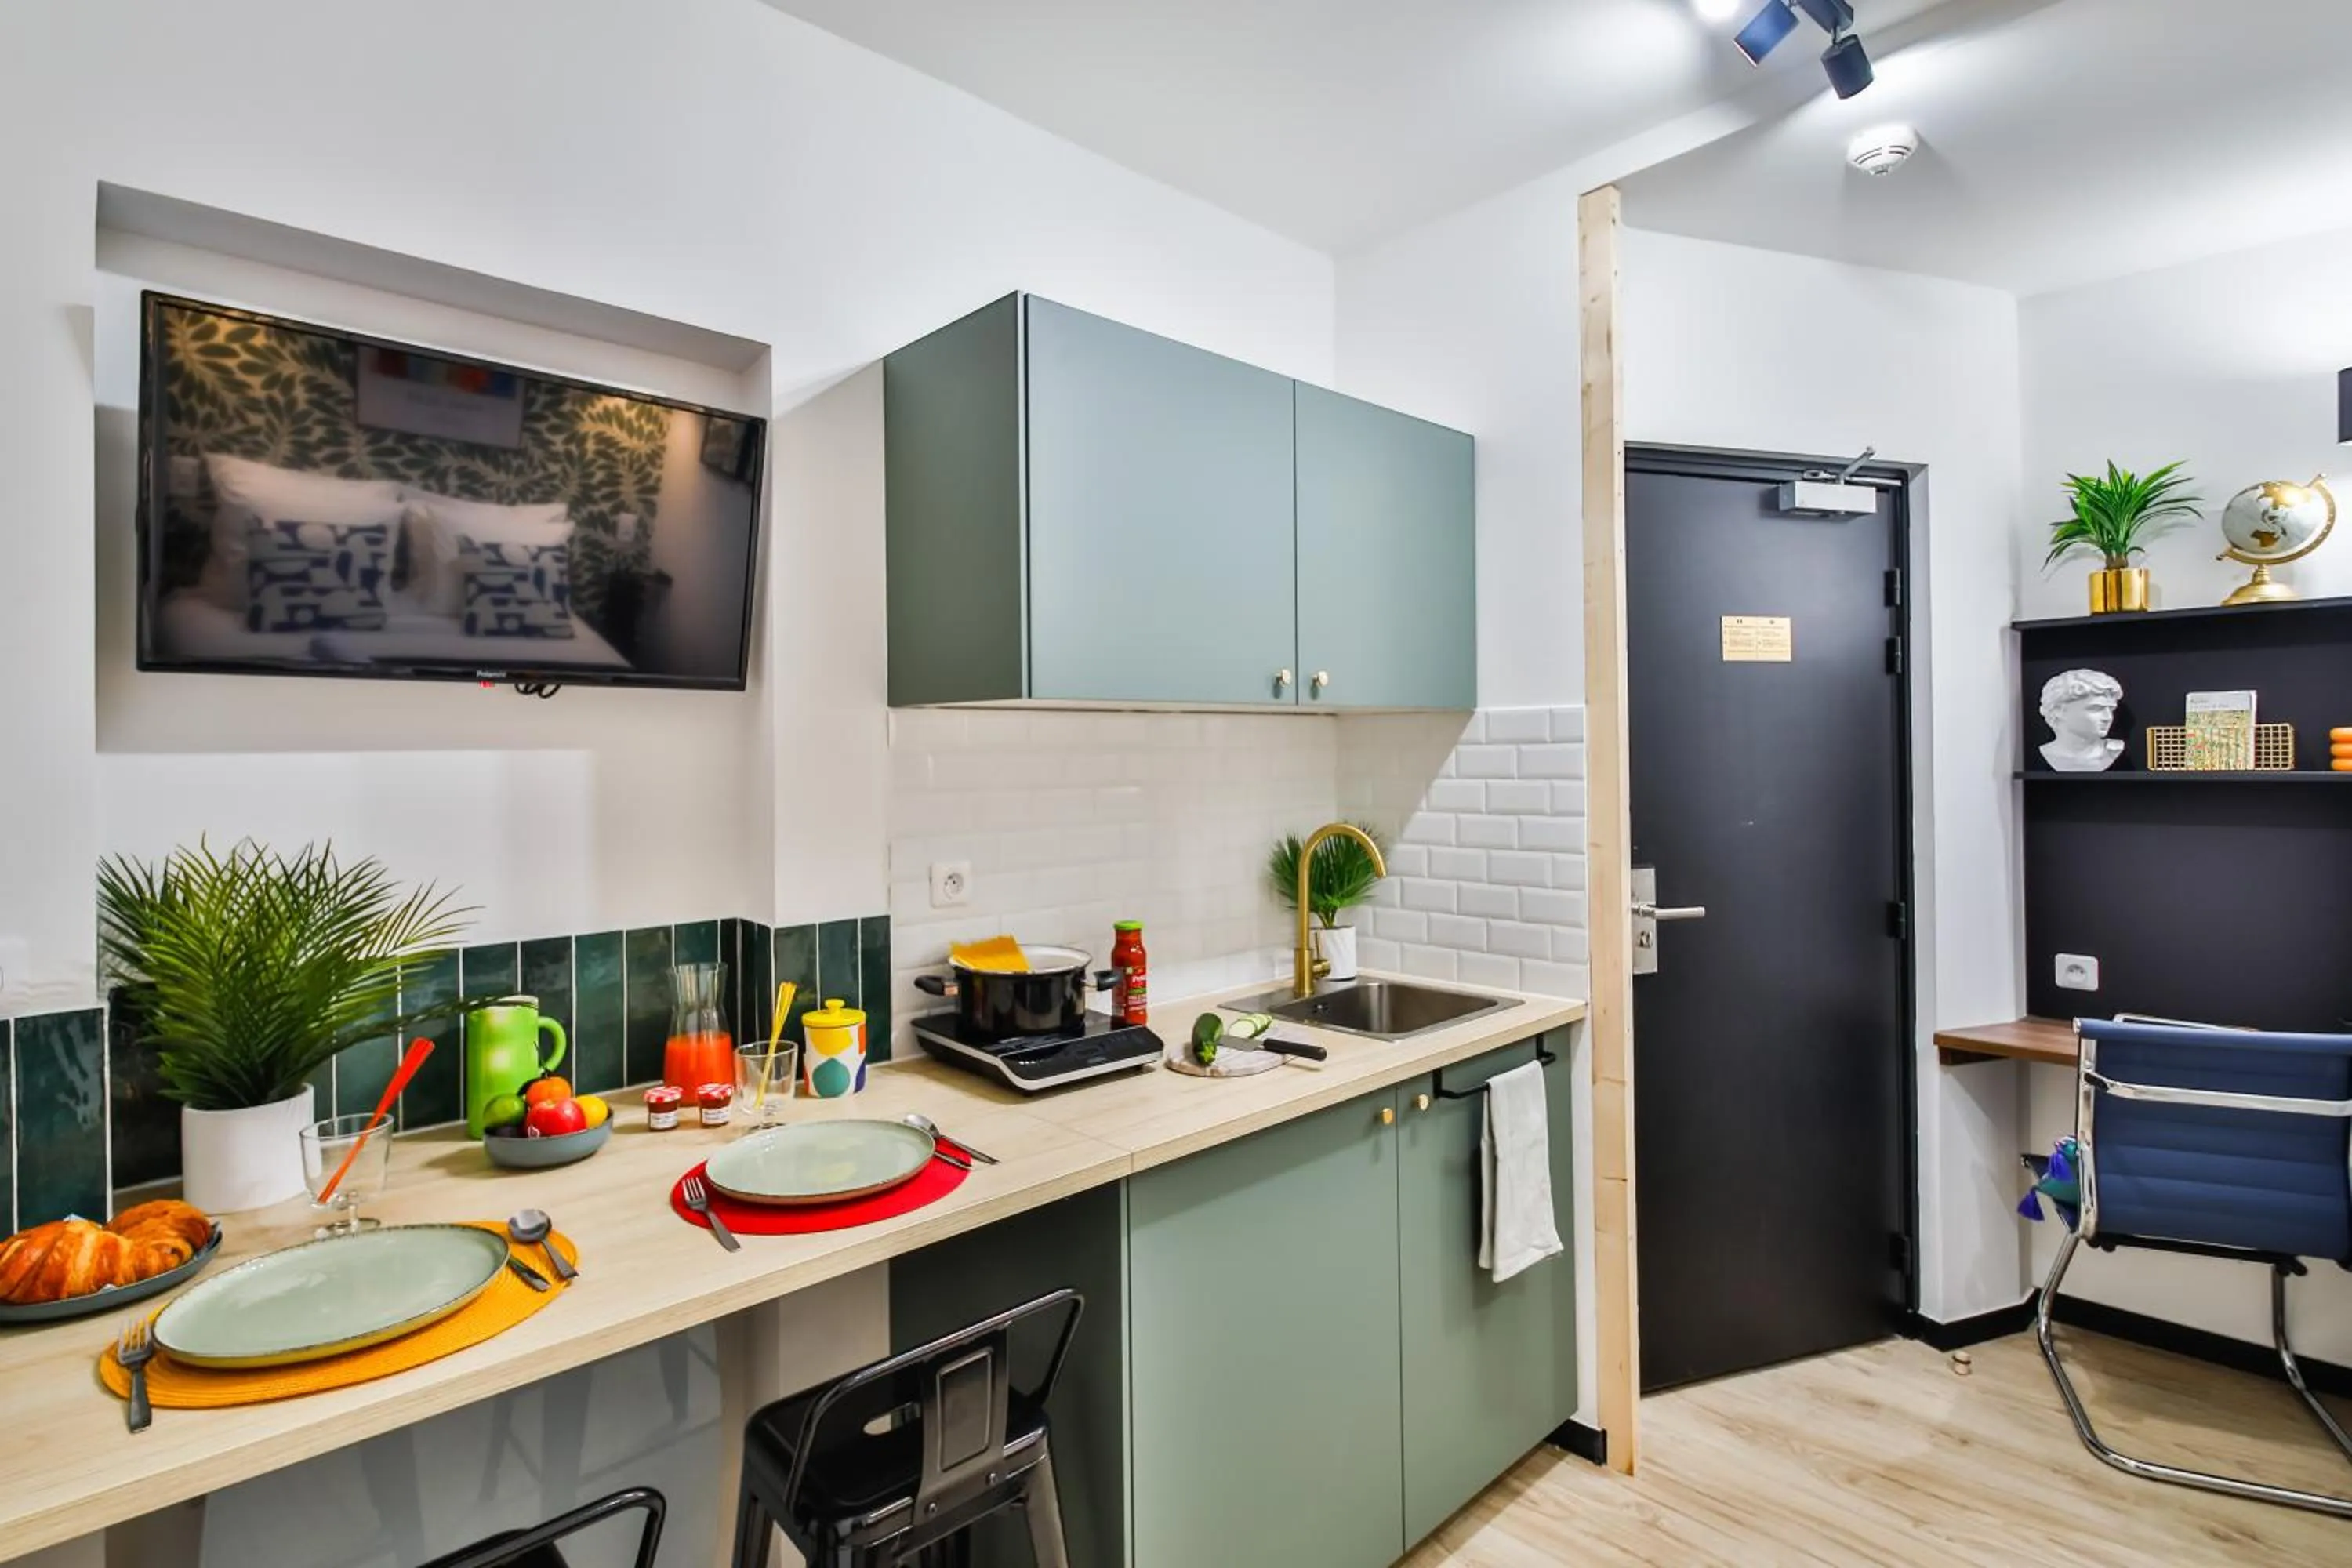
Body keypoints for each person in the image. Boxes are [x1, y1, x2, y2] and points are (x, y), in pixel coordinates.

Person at [2039, 668, 2125, 772]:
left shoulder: (2114, 751)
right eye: (2096, 708)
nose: (2108, 718)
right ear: (2059, 711)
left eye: (2111, 709)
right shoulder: (2040, 754)